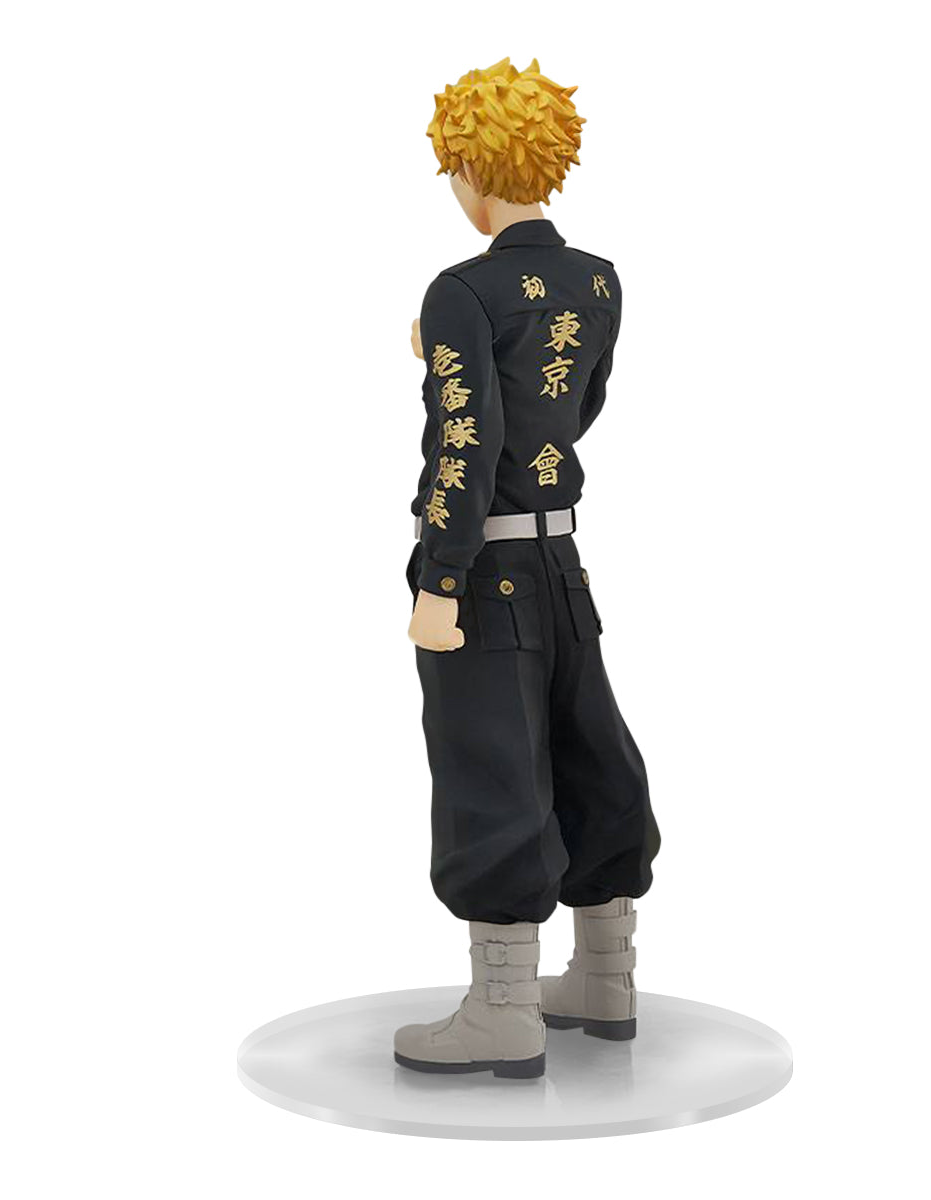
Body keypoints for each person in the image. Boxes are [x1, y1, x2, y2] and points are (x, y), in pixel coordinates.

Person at [395, 58, 661, 1079]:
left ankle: (503, 1010)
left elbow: (464, 446)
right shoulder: (599, 282)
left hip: (487, 567)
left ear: (469, 169)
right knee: (589, 749)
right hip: (563, 563)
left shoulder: (461, 290)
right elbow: (571, 410)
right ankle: (605, 977)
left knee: (490, 764)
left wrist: (439, 579)